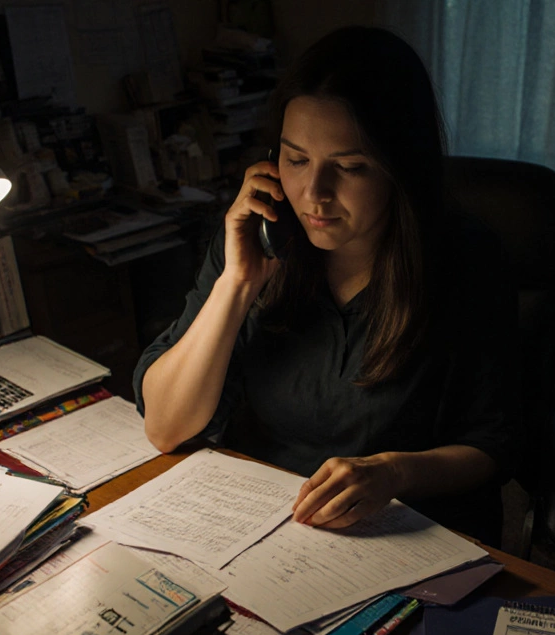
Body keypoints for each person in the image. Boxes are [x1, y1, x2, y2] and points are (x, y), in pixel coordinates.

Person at [134, 27, 519, 544]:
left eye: (350, 167)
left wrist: (394, 472)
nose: (313, 195)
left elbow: (494, 445)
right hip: (261, 526)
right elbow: (166, 427)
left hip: (402, 536)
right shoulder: (255, 239)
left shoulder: (465, 261)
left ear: (399, 170)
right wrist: (238, 282)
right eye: (295, 160)